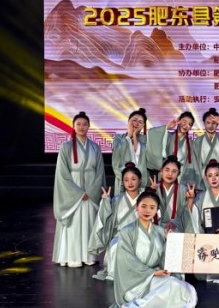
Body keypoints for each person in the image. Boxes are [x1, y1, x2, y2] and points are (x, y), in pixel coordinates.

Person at [104, 190, 198, 308]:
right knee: (171, 288)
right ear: (136, 207)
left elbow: (164, 261)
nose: (147, 210)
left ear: (157, 210)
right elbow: (126, 261)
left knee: (188, 291)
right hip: (134, 282)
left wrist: (169, 243)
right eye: (143, 206)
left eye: (152, 207)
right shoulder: (126, 232)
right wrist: (152, 273)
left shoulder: (159, 231)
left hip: (154, 278)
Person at [53, 111, 106, 268]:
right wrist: (77, 193)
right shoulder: (66, 147)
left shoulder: (95, 147)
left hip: (91, 190)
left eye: (85, 124)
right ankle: (72, 256)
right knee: (74, 225)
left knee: (89, 224)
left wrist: (91, 191)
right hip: (73, 192)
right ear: (73, 126)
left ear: (89, 126)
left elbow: (100, 172)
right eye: (78, 124)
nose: (82, 127)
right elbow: (62, 174)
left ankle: (89, 255)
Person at [89, 162, 144, 280]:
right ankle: (115, 274)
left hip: (141, 234)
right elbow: (107, 219)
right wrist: (105, 203)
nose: (130, 182)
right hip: (121, 235)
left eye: (133, 179)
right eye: (126, 180)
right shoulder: (117, 200)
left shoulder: (145, 198)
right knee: (115, 245)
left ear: (140, 180)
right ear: (122, 182)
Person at [190, 159, 219, 283]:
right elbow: (194, 220)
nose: (214, 178)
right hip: (207, 239)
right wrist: (202, 236)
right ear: (205, 178)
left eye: (216, 175)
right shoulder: (200, 198)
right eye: (210, 175)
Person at [146, 111, 198, 186]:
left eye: (189, 124)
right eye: (184, 122)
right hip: (165, 173)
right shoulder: (167, 136)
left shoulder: (191, 143)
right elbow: (152, 133)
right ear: (179, 121)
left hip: (180, 176)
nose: (186, 126)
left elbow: (192, 164)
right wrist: (167, 127)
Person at [153, 155, 194, 234]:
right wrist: (151, 191)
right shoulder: (155, 189)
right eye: (167, 170)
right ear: (161, 171)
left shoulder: (184, 190)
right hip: (157, 228)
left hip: (176, 227)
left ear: (178, 173)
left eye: (174, 171)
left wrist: (191, 199)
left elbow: (186, 214)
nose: (170, 174)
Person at [111, 108, 148, 194]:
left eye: (140, 122)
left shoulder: (145, 140)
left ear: (143, 125)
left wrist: (134, 136)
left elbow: (142, 155)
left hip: (139, 180)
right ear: (128, 121)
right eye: (134, 120)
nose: (136, 123)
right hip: (122, 179)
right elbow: (116, 157)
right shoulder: (118, 138)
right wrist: (129, 136)